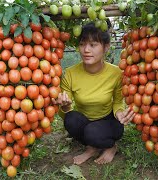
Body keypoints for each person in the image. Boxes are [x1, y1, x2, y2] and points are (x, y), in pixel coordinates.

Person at [52, 21, 135, 165]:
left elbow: (116, 102)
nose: (86, 50)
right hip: (86, 120)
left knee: (93, 132)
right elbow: (65, 111)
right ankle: (92, 148)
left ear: (106, 47)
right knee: (71, 119)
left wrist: (119, 113)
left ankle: (111, 146)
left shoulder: (116, 73)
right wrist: (64, 106)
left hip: (109, 121)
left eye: (93, 45)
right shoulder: (71, 73)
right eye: (82, 44)